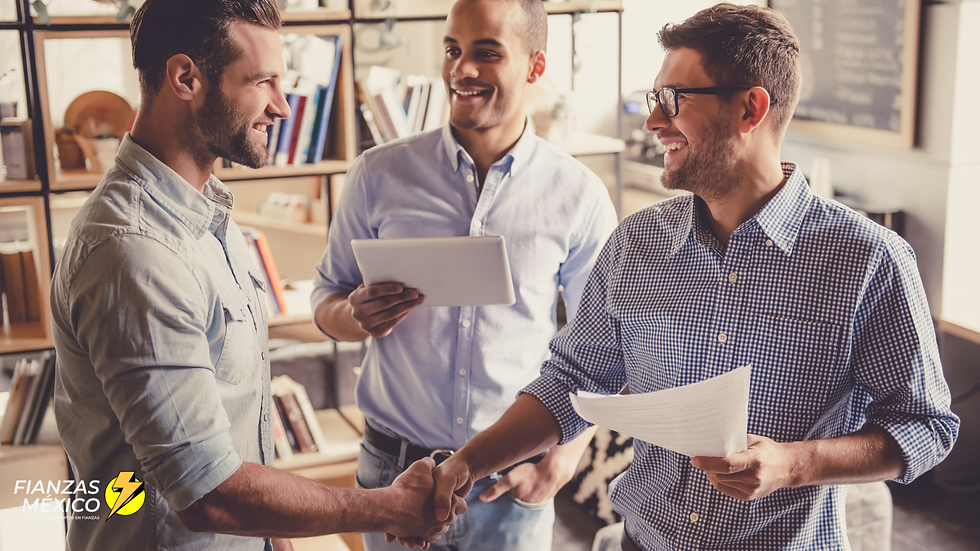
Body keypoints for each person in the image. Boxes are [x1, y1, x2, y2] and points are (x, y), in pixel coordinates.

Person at [429, 4, 960, 550]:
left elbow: (926, 427)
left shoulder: (869, 259)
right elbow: (569, 382)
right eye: (655, 98)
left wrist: (791, 464)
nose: (653, 121)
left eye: (673, 100)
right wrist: (468, 462)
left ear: (751, 108)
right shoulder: (636, 244)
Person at [50, 1, 463, 550]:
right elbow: (207, 492)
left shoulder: (207, 213)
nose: (283, 107)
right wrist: (385, 506)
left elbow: (234, 419)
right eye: (263, 81)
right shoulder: (135, 252)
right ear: (185, 77)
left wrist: (275, 536)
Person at [311, 0, 618, 548]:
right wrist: (353, 316)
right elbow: (325, 301)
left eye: (486, 53)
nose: (461, 70)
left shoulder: (579, 196)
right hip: (392, 474)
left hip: (510, 485)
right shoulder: (377, 175)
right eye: (453, 49)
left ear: (535, 66)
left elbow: (608, 344)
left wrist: (563, 461)